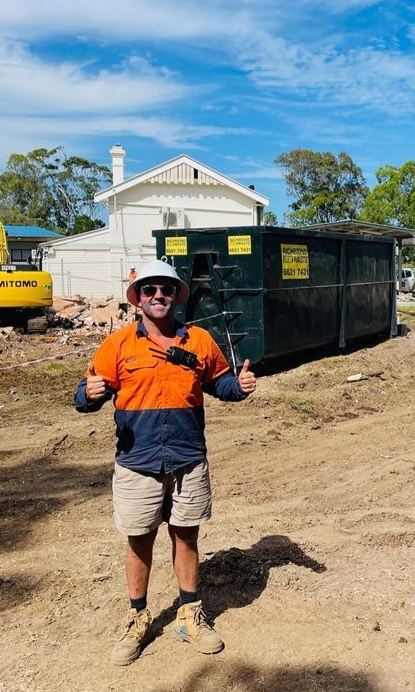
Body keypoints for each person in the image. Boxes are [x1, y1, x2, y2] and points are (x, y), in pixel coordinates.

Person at [73, 259, 257, 666]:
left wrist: (239, 386)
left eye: (167, 290)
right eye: (150, 290)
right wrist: (90, 393)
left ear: (177, 296)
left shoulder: (200, 341)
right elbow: (85, 398)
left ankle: (189, 613)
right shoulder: (118, 345)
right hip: (137, 462)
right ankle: (137, 616)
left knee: (185, 535)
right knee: (139, 539)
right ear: (137, 298)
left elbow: (219, 383)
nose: (159, 296)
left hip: (187, 458)